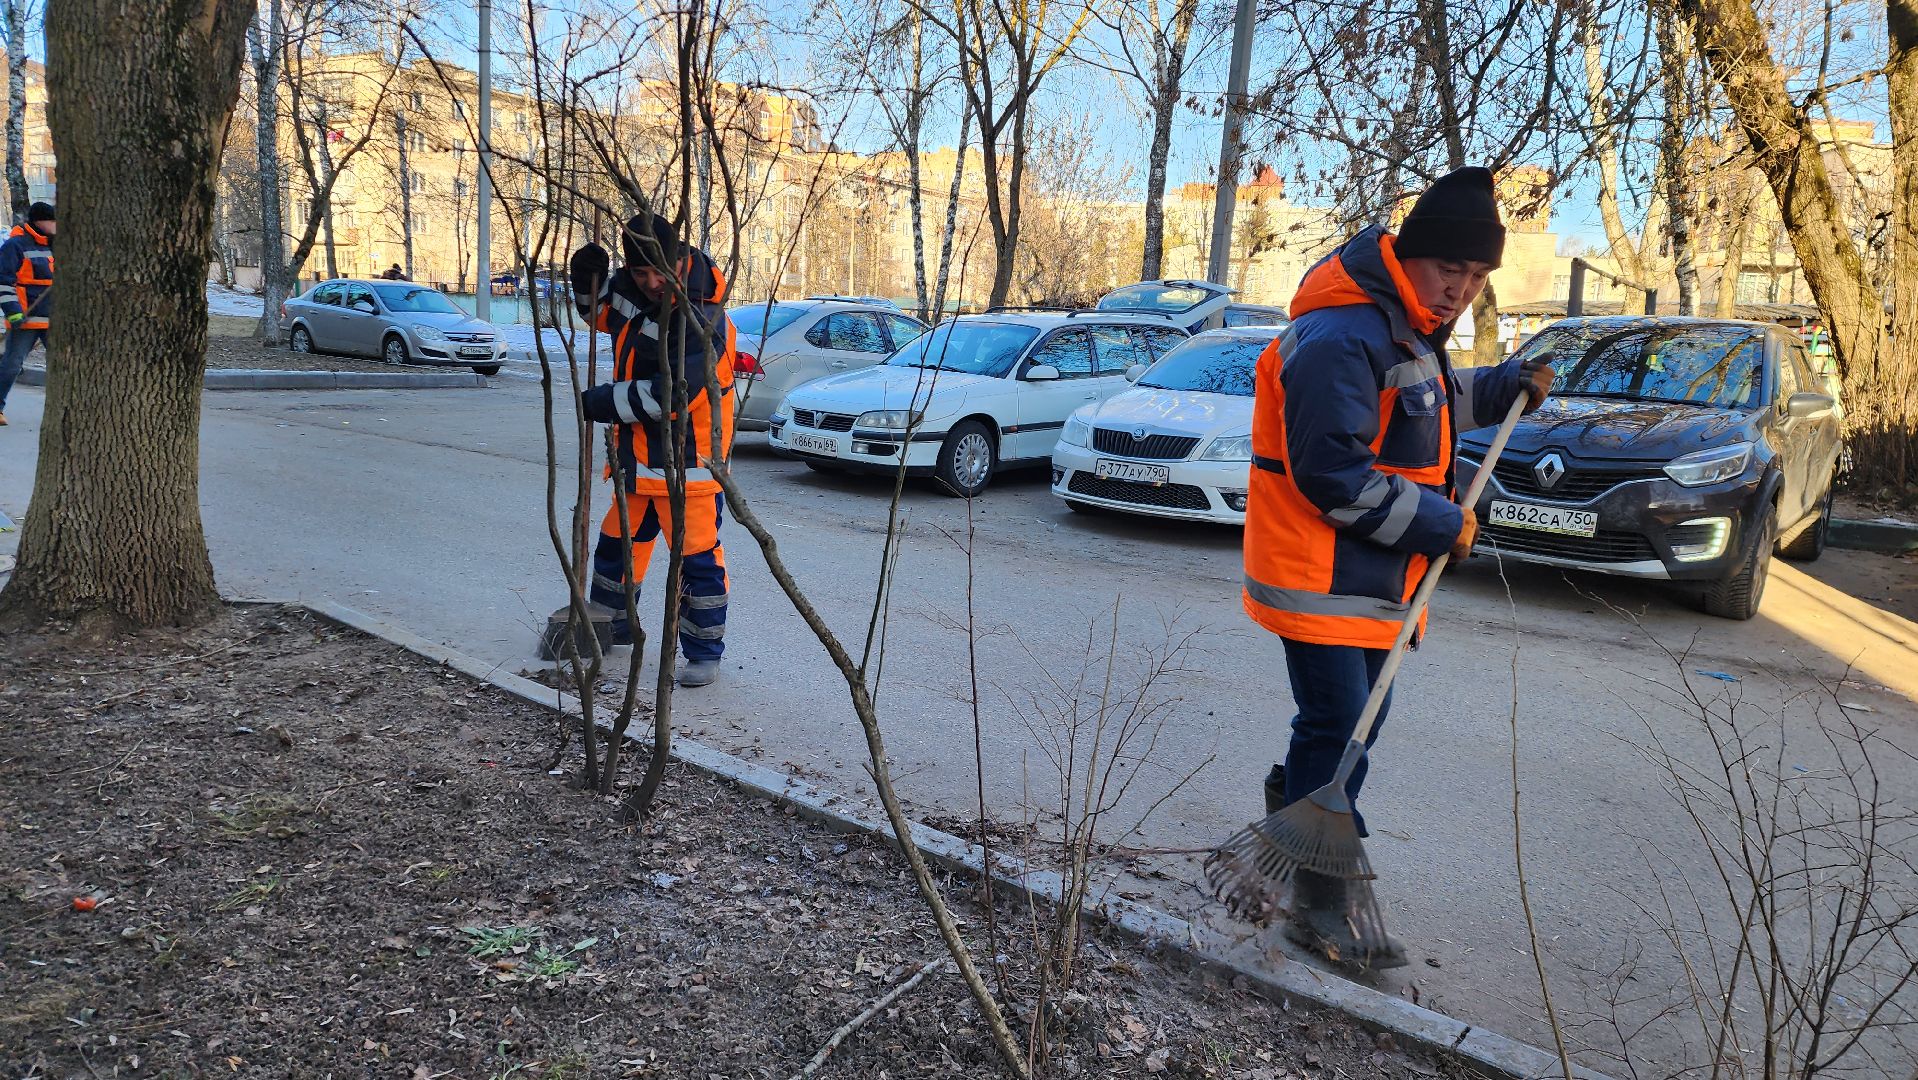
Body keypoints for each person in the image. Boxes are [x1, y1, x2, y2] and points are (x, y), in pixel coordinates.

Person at [1241, 167, 1553, 968]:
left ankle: (1294, 813)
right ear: (1410, 254)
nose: (1461, 290)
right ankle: (1318, 900)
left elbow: (1433, 405)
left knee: (1352, 726)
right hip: (1320, 572)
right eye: (1451, 269)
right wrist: (1445, 524)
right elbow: (1332, 472)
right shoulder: (1344, 334)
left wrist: (1504, 387)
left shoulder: (1403, 331)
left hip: (1373, 580)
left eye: (1477, 277)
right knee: (1339, 726)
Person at [558, 212, 737, 686]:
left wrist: (600, 402)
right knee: (616, 548)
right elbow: (599, 312)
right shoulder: (632, 294)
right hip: (634, 465)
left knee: (695, 562)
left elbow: (671, 396)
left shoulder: (706, 319)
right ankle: (610, 625)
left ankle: (702, 652)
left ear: (680, 257)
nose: (653, 282)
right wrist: (585, 279)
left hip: (688, 470)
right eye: (641, 273)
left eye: (660, 270)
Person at [0, 201, 53, 426]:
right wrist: (13, 313)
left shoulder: (56, 246)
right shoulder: (16, 246)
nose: (56, 225)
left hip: (53, 319)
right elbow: (4, 282)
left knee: (65, 364)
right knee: (12, 365)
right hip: (26, 319)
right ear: (39, 221)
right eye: (52, 221)